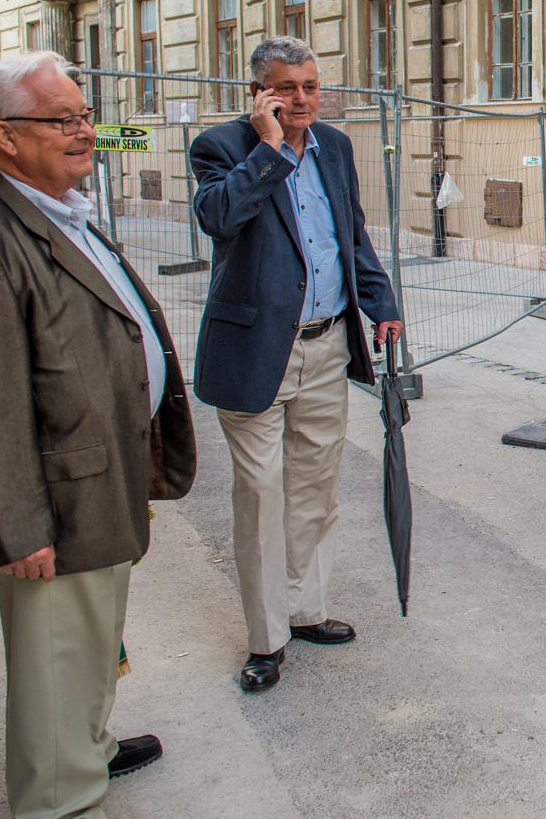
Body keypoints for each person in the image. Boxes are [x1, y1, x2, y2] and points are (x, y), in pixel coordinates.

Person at [0, 51, 197, 817]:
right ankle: (60, 793)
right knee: (57, 657)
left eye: (85, 114)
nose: (85, 130)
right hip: (56, 502)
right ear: (6, 136)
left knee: (92, 642)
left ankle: (92, 747)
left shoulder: (58, 207)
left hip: (103, 473)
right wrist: (20, 531)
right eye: (63, 118)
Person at [190, 36, 401, 693]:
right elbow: (219, 217)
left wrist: (379, 300)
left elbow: (351, 233)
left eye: (311, 85)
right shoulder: (221, 147)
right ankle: (266, 637)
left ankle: (305, 609)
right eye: (288, 87)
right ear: (259, 91)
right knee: (259, 496)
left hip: (327, 342)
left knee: (315, 488)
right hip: (257, 351)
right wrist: (271, 147)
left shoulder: (335, 147)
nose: (304, 99)